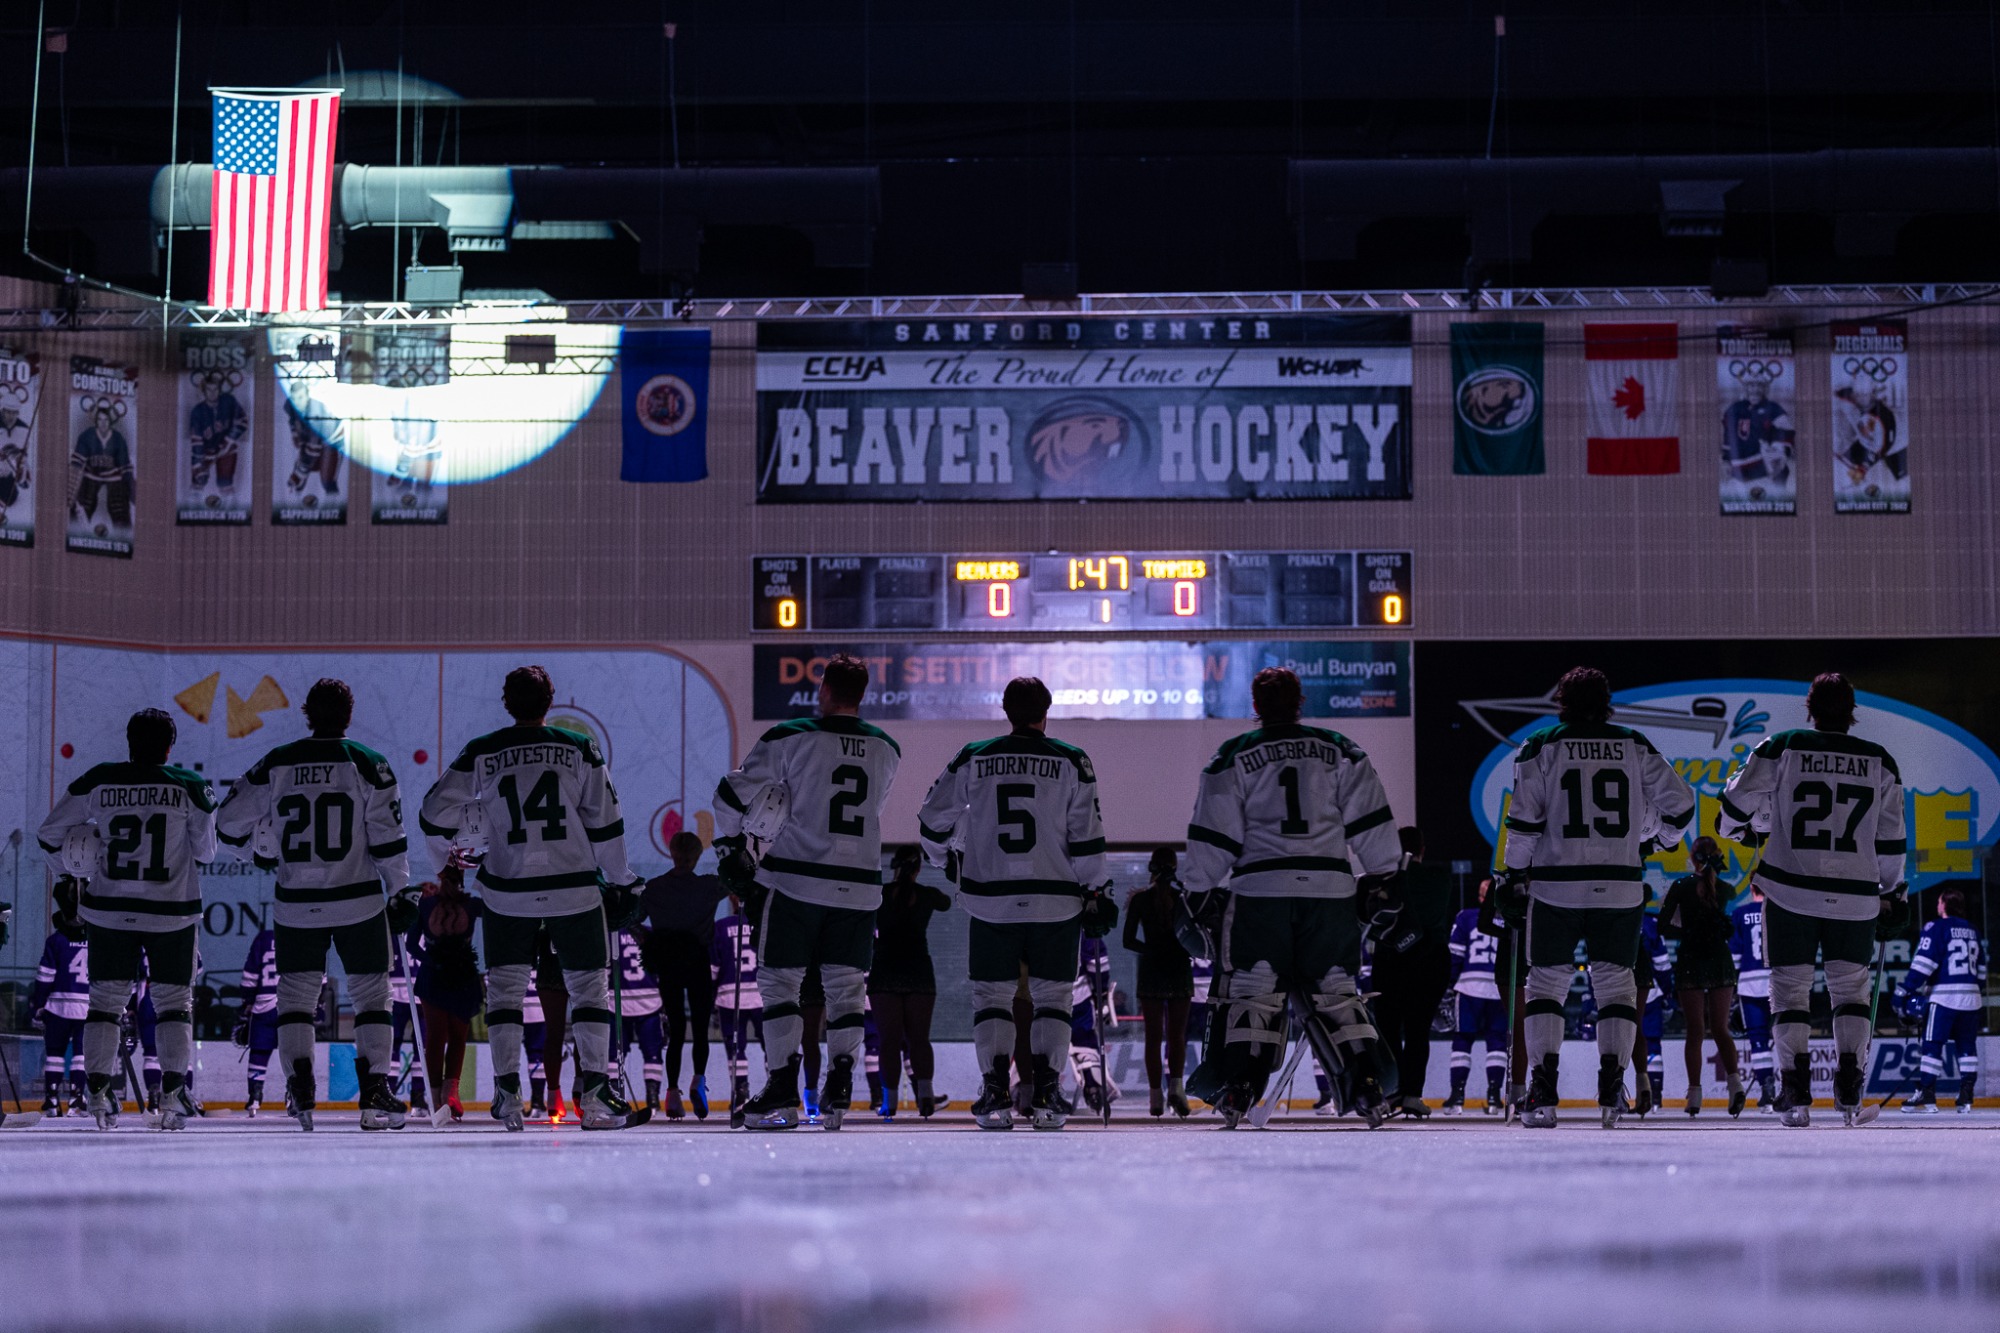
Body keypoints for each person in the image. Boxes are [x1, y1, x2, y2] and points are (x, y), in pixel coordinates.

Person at [421, 664, 647, 1131]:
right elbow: (606, 824)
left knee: (505, 990)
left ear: (506, 703)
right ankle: (598, 1097)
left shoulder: (483, 750)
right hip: (573, 886)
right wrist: (623, 877)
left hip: (507, 888)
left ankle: (506, 1095)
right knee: (589, 989)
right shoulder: (580, 748)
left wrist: (446, 860)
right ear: (551, 701)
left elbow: (432, 811)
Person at [1182, 667, 1404, 1127]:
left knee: (1251, 993)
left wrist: (1198, 889)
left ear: (1255, 704)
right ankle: (1366, 1087)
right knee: (1338, 993)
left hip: (1260, 892)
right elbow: (1373, 826)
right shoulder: (1341, 749)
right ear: (1300, 700)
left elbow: (1213, 836)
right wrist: (1384, 876)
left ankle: (1239, 1088)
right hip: (1330, 891)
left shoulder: (1233, 754)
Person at [1498, 666, 1695, 1130]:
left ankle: (1542, 1096)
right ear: (1607, 702)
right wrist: (1659, 838)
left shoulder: (1542, 744)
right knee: (1615, 986)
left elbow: (1524, 821)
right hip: (1620, 882)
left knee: (1545, 985)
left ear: (1561, 700)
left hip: (1555, 882)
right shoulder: (1634, 743)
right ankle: (1612, 1093)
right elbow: (1683, 805)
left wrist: (1511, 875)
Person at [215, 678, 411, 1132]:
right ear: (349, 713)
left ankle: (300, 1088)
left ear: (306, 712)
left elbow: (226, 824)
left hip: (296, 902)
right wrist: (399, 890)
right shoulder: (368, 762)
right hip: (356, 898)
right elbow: (389, 840)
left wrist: (259, 853)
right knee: (372, 998)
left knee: (296, 999)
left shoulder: (279, 761)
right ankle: (375, 1092)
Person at [918, 675, 1112, 1131]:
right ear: (1048, 710)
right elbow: (1087, 838)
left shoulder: (974, 755)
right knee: (1054, 999)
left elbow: (931, 821)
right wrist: (1097, 891)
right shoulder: (1072, 759)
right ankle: (1047, 1098)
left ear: (1005, 711)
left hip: (990, 900)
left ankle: (994, 1095)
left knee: (991, 999)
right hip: (1056, 900)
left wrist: (947, 862)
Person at [716, 654, 901, 1131]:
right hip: (859, 884)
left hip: (795, 879)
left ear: (823, 688)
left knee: (780, 984)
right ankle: (840, 1084)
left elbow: (731, 794)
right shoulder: (887, 748)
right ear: (863, 694)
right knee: (845, 990)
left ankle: (781, 1086)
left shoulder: (791, 735)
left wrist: (729, 846)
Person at [1719, 671, 1908, 1127]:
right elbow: (1890, 838)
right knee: (1851, 993)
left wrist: (1746, 828)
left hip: (1790, 890)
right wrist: (1890, 893)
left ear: (1810, 708)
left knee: (1789, 991)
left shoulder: (1783, 745)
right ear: (1852, 712)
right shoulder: (1879, 759)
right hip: (1855, 896)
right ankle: (1849, 1092)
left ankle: (1795, 1095)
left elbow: (1732, 804)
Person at [37, 708, 218, 1131]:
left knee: (104, 1006)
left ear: (129, 741)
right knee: (175, 1007)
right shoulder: (190, 786)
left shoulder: (98, 779)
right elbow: (207, 852)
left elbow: (50, 833)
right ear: (170, 747)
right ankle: (173, 1093)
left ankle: (97, 1092)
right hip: (171, 910)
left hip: (110, 909)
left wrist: (72, 869)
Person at [640, 831, 730, 1120]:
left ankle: (672, 1092)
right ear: (698, 855)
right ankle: (699, 1080)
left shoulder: (654, 888)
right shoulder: (708, 886)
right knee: (700, 1028)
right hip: (697, 960)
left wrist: (648, 941)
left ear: (671, 853)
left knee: (676, 1030)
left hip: (668, 962)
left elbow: (631, 919)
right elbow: (736, 881)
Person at [1370, 827, 1456, 1118]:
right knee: (1418, 1031)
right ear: (1422, 850)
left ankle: (1392, 1089)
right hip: (1430, 961)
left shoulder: (1384, 881)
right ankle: (1411, 1094)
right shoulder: (1439, 877)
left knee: (1389, 1029)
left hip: (1390, 961)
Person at [1659, 836, 1743, 1116]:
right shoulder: (1727, 890)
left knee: (1695, 1030)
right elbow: (1728, 928)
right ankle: (1735, 1087)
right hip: (1720, 959)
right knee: (1721, 1028)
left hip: (1691, 959)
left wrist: (1686, 930)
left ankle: (1694, 1095)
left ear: (1693, 859)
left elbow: (1662, 925)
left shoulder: (1681, 886)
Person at [869, 845, 951, 1119]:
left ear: (894, 867)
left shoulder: (880, 895)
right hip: (918, 971)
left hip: (885, 971)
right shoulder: (926, 895)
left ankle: (889, 1103)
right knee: (919, 1040)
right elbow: (945, 902)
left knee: (888, 1042)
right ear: (917, 869)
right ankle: (925, 1098)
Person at [1895, 886, 1984, 1114]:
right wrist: (1975, 989)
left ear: (1944, 904)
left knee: (1932, 1044)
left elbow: (1924, 964)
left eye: (1939, 902)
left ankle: (1927, 1092)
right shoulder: (1972, 929)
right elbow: (1982, 969)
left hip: (1944, 998)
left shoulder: (1935, 927)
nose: (1937, 906)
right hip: (1971, 998)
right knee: (1967, 1047)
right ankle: (1966, 1095)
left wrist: (1905, 990)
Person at [1124, 847, 1194, 1118]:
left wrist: (1152, 950)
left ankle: (1155, 1098)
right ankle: (1177, 1090)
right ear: (1175, 867)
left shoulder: (1140, 901)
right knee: (1177, 1035)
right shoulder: (1183, 899)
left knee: (1153, 1038)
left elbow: (1127, 940)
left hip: (1151, 970)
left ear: (1151, 867)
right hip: (1179, 968)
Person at [415, 864, 482, 1118]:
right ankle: (447, 1093)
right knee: (455, 1036)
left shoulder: (428, 905)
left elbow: (412, 944)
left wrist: (432, 959)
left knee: (436, 1038)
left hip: (435, 975)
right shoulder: (470, 905)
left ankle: (436, 1096)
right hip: (460, 975)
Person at [1443, 879, 1507, 1115]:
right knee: (1497, 1042)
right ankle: (1494, 1097)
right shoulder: (1510, 919)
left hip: (1469, 987)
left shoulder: (1467, 917)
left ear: (1481, 898)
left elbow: (1455, 955)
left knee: (1462, 1039)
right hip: (1499, 988)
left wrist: (1449, 985)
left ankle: (1457, 1096)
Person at [28, 888, 90, 1115]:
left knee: (54, 1052)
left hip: (58, 1005)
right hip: (87, 1006)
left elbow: (45, 976)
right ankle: (77, 1098)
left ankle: (52, 1099)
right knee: (81, 1054)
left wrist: (38, 1004)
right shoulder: (95, 940)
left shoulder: (56, 940)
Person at [711, 897, 762, 1127]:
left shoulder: (721, 926)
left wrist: (710, 997)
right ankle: (775, 1091)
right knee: (771, 1045)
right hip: (763, 993)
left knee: (735, 1048)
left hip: (730, 995)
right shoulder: (763, 922)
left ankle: (740, 1092)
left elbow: (713, 967)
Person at [1728, 884, 1778, 1111]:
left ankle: (1768, 1092)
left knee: (1758, 1039)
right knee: (1786, 1035)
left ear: (1751, 887)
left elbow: (1735, 956)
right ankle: (1793, 1093)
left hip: (1749, 985)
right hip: (1778, 982)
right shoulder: (1779, 911)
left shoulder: (1739, 914)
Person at [610, 924, 667, 1112]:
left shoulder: (610, 934)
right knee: (652, 1053)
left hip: (617, 1002)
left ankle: (614, 1095)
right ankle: (653, 1099)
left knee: (615, 1055)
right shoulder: (648, 932)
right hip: (649, 1001)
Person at [1068, 934, 1120, 1117]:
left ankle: (1030, 1091)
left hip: (1042, 993)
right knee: (1085, 1040)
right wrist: (1101, 992)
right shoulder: (1083, 928)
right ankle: (1093, 1085)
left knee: (1040, 1041)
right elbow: (1098, 962)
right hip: (1078, 997)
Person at [1630, 903, 1672, 1116]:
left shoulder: (1617, 917)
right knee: (1652, 1043)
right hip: (1650, 991)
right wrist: (1668, 993)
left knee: (1620, 1041)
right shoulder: (1650, 923)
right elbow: (1663, 964)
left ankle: (1617, 1094)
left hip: (1620, 989)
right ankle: (1655, 1096)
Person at [69, 404, 135, 534]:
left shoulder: (118, 439)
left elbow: (125, 468)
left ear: (110, 421)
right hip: (91, 474)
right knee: (82, 505)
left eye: (106, 420)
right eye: (100, 419)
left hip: (114, 476)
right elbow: (77, 464)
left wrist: (131, 490)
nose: (103, 423)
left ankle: (123, 537)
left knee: (119, 507)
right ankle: (76, 535)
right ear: (96, 421)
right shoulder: (86, 436)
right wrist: (71, 489)